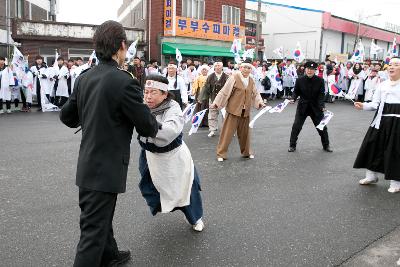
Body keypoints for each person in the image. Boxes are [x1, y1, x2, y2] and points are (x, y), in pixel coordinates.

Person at [59, 20, 159, 267]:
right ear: (122, 46)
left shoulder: (85, 77)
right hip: (106, 168)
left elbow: (66, 116)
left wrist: (92, 113)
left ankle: (110, 255)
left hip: (89, 164)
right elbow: (147, 126)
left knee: (101, 215)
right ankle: (100, 255)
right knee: (92, 233)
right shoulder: (123, 81)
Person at [138, 74, 204, 231]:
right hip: (150, 156)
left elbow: (168, 132)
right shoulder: (141, 106)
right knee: (153, 187)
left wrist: (144, 121)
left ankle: (195, 218)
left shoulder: (173, 109)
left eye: (153, 92)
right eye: (146, 92)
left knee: (185, 189)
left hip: (173, 156)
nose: (148, 96)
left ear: (164, 94)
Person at [353, 57, 400, 193]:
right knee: (372, 145)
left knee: (395, 150)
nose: (391, 67)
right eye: (390, 65)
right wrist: (363, 106)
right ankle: (371, 176)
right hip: (380, 120)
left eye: (396, 65)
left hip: (397, 122)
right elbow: (375, 104)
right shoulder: (382, 84)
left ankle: (396, 182)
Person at [211, 59, 265, 162]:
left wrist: (260, 102)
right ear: (241, 68)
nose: (246, 69)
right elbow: (224, 91)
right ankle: (221, 154)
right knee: (227, 133)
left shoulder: (251, 80)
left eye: (249, 68)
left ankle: (246, 152)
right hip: (233, 110)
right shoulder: (234, 77)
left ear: (251, 70)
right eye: (245, 67)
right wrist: (217, 102)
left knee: (245, 134)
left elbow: (255, 93)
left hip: (246, 111)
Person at [288, 61, 332, 153]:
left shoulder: (320, 80)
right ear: (305, 69)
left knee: (322, 127)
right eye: (308, 69)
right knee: (296, 126)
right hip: (302, 107)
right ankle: (292, 145)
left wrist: (322, 106)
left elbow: (321, 94)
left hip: (316, 108)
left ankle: (326, 145)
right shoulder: (300, 80)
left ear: (315, 70)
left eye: (312, 69)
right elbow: (296, 91)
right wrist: (293, 98)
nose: (309, 71)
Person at [201, 61, 229, 137]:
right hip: (213, 98)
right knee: (212, 115)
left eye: (219, 65)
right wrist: (202, 98)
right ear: (214, 67)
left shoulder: (227, 77)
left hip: (224, 99)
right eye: (216, 66)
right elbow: (206, 88)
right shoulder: (210, 76)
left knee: (225, 115)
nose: (217, 67)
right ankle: (212, 130)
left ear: (222, 67)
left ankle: (226, 130)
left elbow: (230, 88)